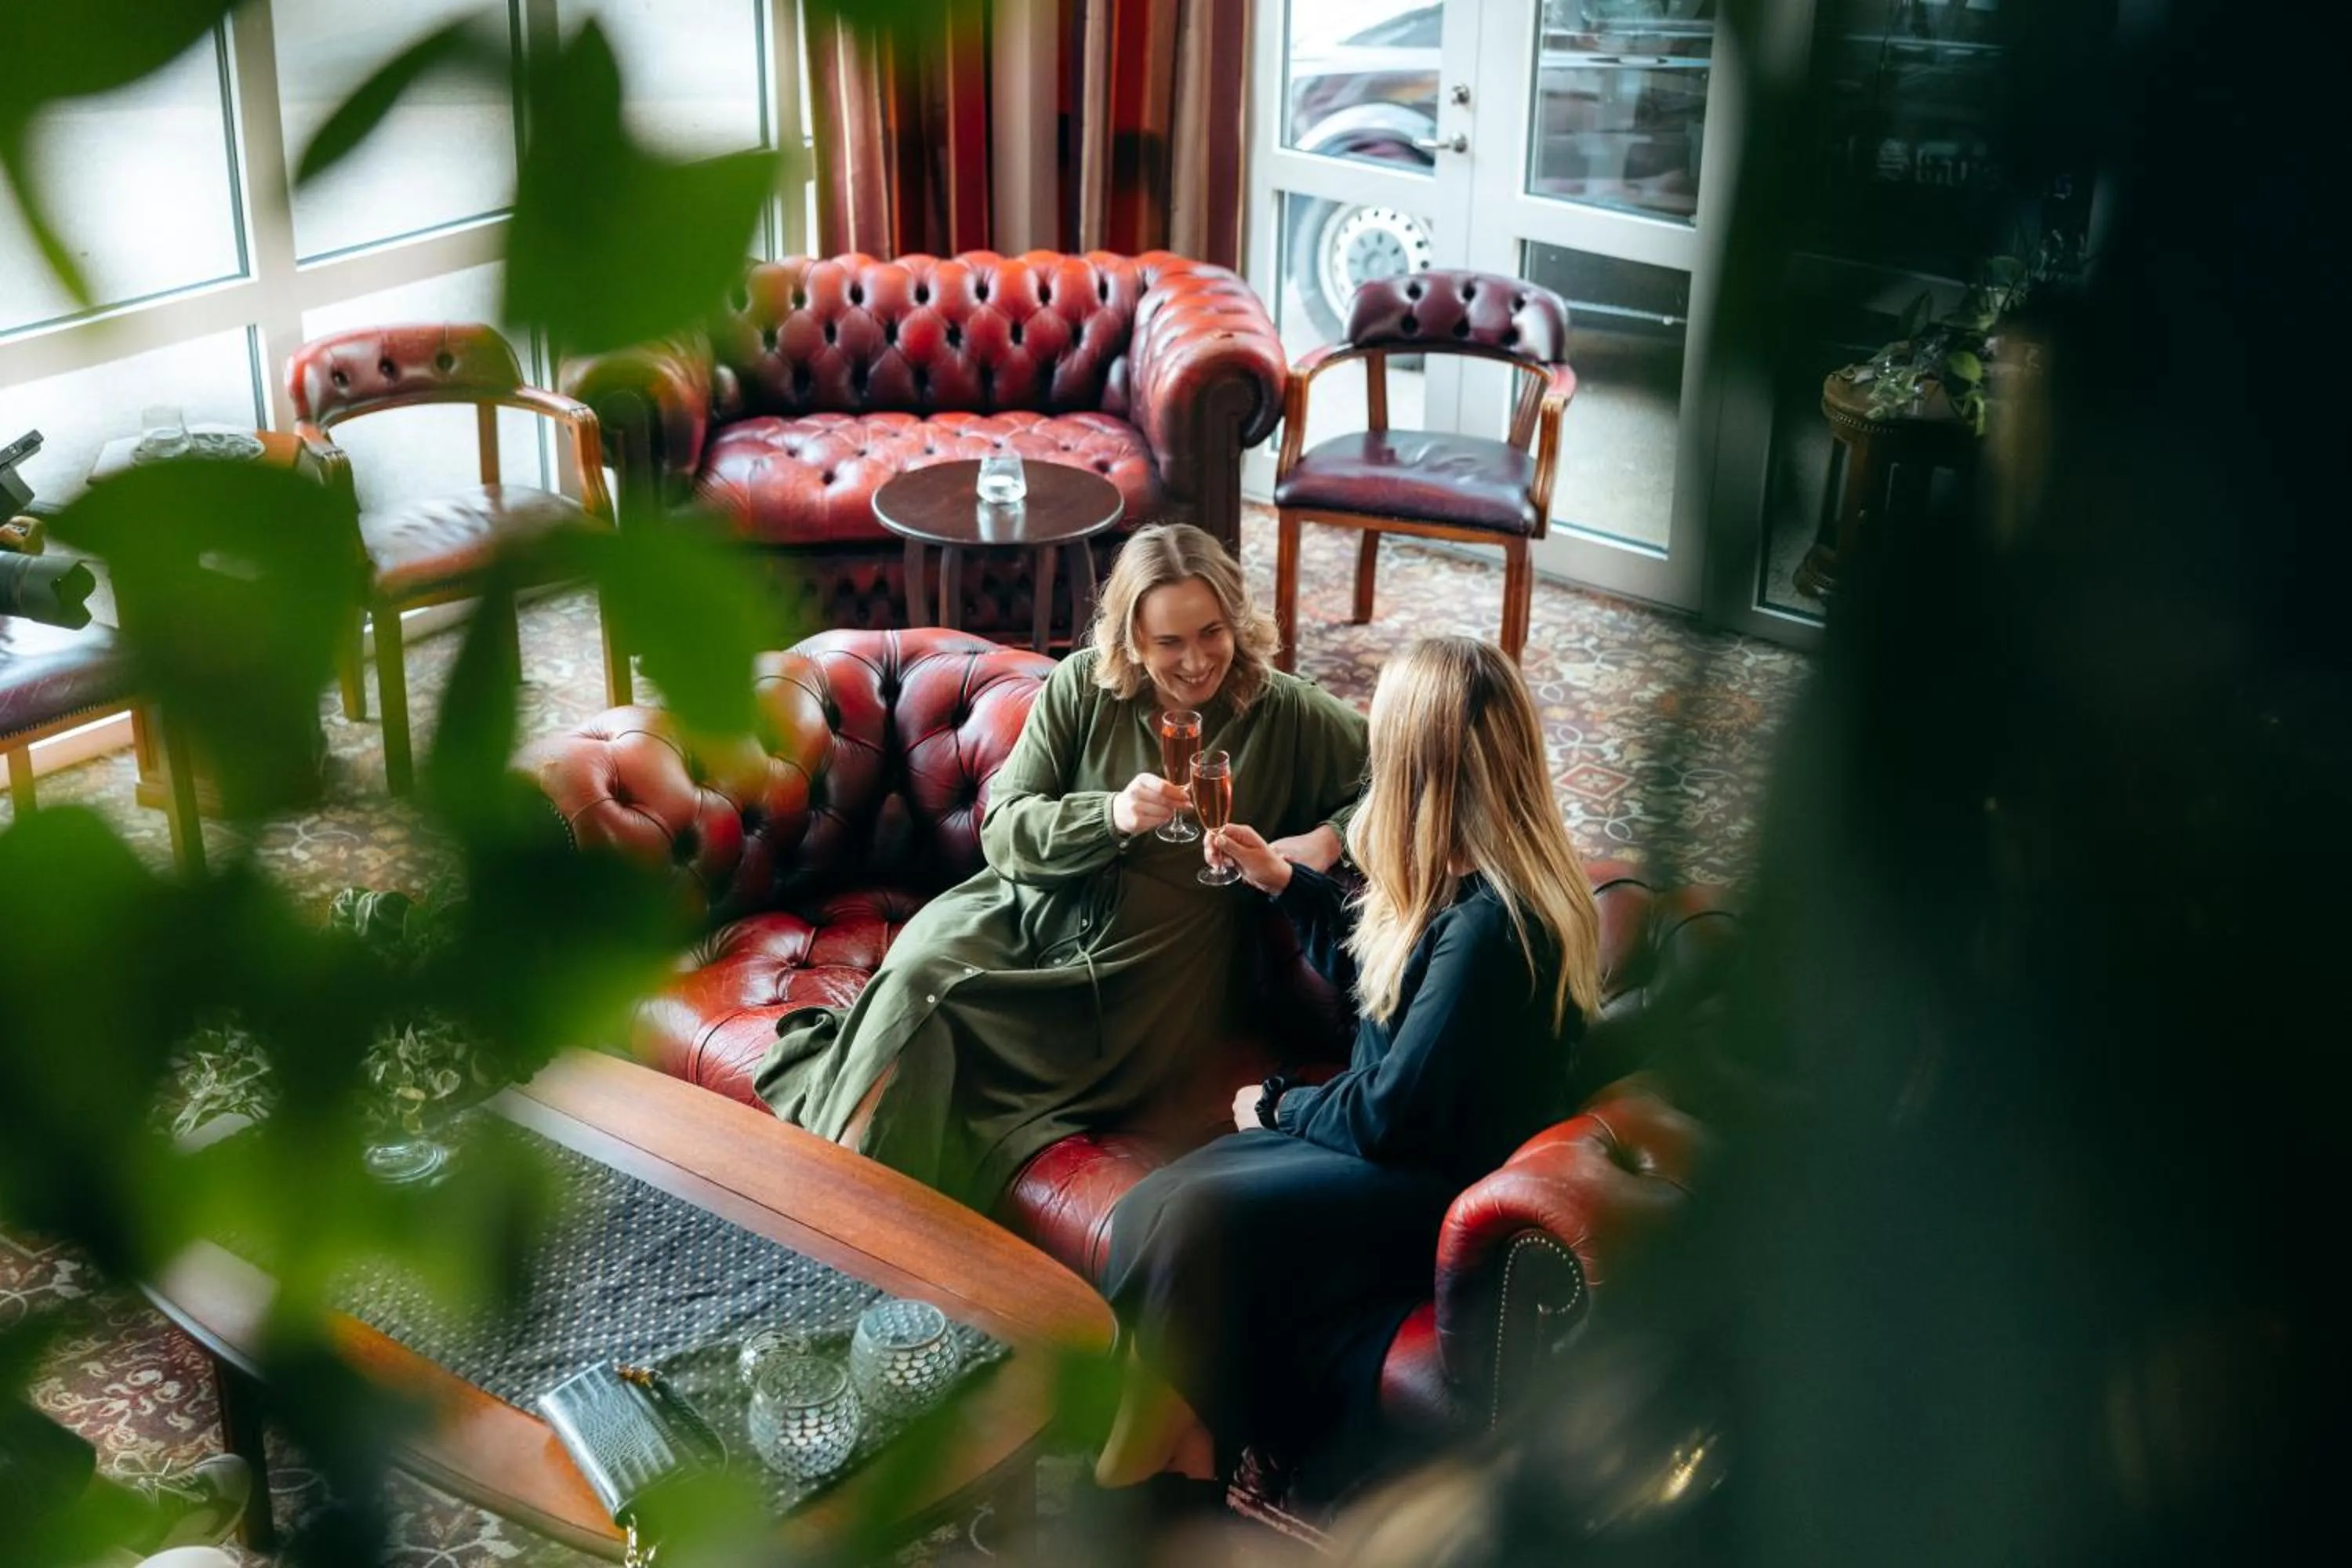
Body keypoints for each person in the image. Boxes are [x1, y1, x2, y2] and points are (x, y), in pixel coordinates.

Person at [1094, 635, 1604, 1490]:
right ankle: (1180, 1460)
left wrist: (1280, 1103)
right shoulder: (1456, 870)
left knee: (1196, 1222)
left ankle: (1131, 1473)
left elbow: (1388, 1110)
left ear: (1417, 759)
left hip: (1431, 1180)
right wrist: (1283, 881)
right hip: (1391, 1143)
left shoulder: (1491, 924)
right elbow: (1385, 988)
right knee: (1154, 1203)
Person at [753, 523, 1370, 1210]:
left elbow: (1408, 775)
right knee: (918, 985)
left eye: (1212, 633)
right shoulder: (1082, 687)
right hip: (1015, 914)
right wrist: (1108, 815)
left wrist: (1329, 838)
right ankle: (840, 1229)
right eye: (1169, 642)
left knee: (939, 1016)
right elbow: (1003, 830)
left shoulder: (1288, 713)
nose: (1196, 662)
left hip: (1136, 975)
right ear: (1132, 639)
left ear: (1237, 621)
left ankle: (846, 1229)